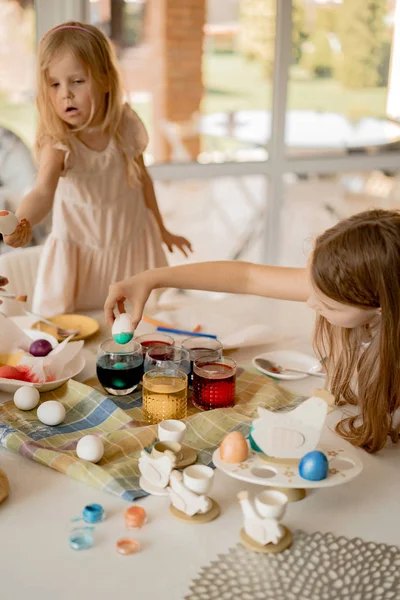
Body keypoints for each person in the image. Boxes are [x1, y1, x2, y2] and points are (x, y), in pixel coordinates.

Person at [104, 209, 400, 454]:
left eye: (328, 305)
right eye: (312, 289)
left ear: (381, 307)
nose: (309, 302)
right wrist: (151, 278)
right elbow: (247, 277)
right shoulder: (363, 286)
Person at [3, 22, 191, 315]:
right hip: (80, 254)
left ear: (105, 80)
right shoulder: (59, 142)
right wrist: (22, 221)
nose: (66, 94)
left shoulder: (125, 125)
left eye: (77, 81)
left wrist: (163, 230)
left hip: (129, 243)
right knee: (81, 327)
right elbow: (41, 191)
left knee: (129, 321)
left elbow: (143, 180)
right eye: (55, 84)